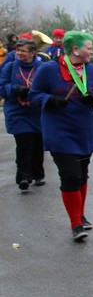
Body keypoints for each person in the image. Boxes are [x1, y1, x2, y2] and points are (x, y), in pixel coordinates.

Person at [29, 30, 93, 241]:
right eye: (89, 48)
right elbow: (34, 95)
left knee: (82, 173)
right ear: (76, 50)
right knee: (70, 175)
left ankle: (79, 213)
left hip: (84, 129)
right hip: (59, 130)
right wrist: (51, 100)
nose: (91, 51)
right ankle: (75, 224)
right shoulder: (48, 70)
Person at [0, 34, 47, 190]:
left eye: (23, 51)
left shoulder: (41, 67)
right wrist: (15, 89)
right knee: (24, 143)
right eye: (17, 50)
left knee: (37, 144)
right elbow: (2, 87)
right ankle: (23, 177)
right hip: (17, 111)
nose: (19, 54)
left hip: (36, 112)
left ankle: (38, 173)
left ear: (33, 53)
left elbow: (48, 87)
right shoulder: (9, 67)